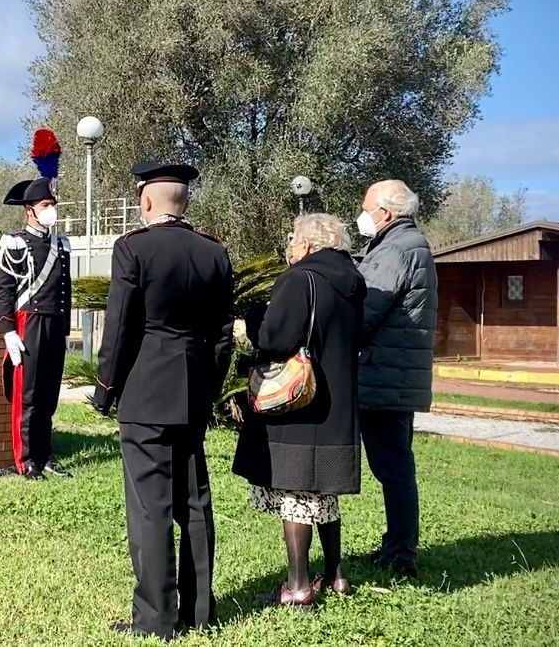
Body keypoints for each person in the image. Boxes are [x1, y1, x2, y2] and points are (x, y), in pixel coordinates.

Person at [94, 162, 234, 641]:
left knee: (151, 508)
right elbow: (222, 336)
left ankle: (155, 619)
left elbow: (120, 327)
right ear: (186, 204)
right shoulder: (215, 252)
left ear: (146, 201)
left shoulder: (132, 248)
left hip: (145, 391)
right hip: (194, 389)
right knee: (194, 502)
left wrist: (105, 388)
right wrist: (209, 387)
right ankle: (199, 610)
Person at [231, 213, 367, 608]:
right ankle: (337, 575)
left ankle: (298, 587)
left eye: (292, 241)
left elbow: (275, 338)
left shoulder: (299, 278)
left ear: (307, 244)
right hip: (337, 404)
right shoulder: (352, 282)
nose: (289, 247)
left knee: (296, 492)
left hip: (300, 404)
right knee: (323, 493)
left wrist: (255, 323)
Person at [354, 179, 437, 577]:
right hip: (394, 374)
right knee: (395, 466)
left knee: (393, 468)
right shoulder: (401, 244)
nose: (362, 214)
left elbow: (367, 307)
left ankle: (402, 554)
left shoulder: (397, 248)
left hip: (385, 376)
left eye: (366, 206)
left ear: (384, 213)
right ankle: (396, 545)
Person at [0, 174, 72, 480]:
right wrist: (8, 331)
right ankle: (26, 460)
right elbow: (3, 289)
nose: (51, 208)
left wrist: (64, 330)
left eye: (52, 203)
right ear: (29, 209)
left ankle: (44, 453)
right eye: (45, 204)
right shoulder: (14, 243)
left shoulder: (61, 243)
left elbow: (65, 289)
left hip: (54, 323)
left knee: (49, 395)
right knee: (28, 396)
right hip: (30, 321)